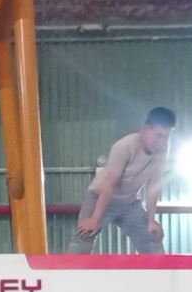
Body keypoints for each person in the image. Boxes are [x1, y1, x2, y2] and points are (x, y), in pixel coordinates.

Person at [67, 107, 175, 254]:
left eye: (166, 137)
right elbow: (110, 184)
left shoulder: (162, 150)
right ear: (146, 129)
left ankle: (162, 270)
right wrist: (95, 219)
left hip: (129, 203)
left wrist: (151, 221)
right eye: (158, 136)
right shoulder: (125, 146)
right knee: (84, 235)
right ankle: (70, 269)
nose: (161, 142)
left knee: (152, 237)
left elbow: (154, 186)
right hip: (101, 197)